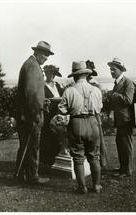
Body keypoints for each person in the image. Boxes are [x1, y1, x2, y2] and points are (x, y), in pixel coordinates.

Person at [58, 61, 103, 194]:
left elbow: (62, 109)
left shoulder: (69, 91)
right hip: (92, 122)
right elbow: (99, 108)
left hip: (76, 123)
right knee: (94, 156)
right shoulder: (96, 90)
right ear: (86, 75)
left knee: (78, 157)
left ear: (75, 76)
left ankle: (81, 187)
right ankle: (96, 185)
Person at [14, 41, 54, 184]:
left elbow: (33, 93)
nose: (46, 57)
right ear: (36, 52)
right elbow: (31, 93)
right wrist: (36, 113)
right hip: (30, 115)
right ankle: (32, 177)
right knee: (31, 146)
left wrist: (42, 102)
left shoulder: (32, 65)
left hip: (28, 113)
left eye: (48, 54)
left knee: (26, 145)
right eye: (44, 54)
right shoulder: (32, 66)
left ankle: (20, 176)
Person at [107, 57, 134, 177]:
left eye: (114, 69)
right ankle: (123, 167)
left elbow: (128, 100)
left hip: (126, 119)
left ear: (121, 70)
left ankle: (127, 170)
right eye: (110, 70)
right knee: (120, 143)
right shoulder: (117, 83)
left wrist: (115, 95)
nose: (111, 71)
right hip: (120, 119)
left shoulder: (128, 82)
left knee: (126, 144)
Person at [39, 65, 64, 170]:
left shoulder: (58, 85)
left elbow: (64, 96)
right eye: (49, 74)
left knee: (57, 135)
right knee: (47, 135)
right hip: (47, 113)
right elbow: (40, 98)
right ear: (46, 74)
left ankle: (56, 158)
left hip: (57, 113)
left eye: (53, 74)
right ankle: (46, 161)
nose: (51, 76)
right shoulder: (42, 86)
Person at [86, 60, 108, 170]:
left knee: (97, 139)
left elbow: (100, 103)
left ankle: (99, 162)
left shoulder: (96, 85)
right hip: (88, 114)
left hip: (94, 114)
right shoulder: (83, 84)